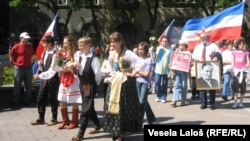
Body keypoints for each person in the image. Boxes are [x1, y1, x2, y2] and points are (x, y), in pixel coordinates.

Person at [102, 31, 143, 141]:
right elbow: (108, 64)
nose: (112, 44)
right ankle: (116, 131)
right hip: (115, 83)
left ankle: (121, 133)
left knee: (122, 108)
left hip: (125, 84)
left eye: (114, 42)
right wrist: (111, 72)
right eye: (111, 42)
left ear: (120, 42)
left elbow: (140, 62)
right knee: (112, 106)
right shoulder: (112, 54)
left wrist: (133, 73)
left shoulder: (128, 53)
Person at [34, 35, 82, 129]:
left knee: (73, 100)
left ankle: (75, 121)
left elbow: (78, 65)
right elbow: (55, 68)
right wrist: (61, 69)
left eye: (66, 43)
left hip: (73, 79)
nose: (64, 44)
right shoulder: (61, 53)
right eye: (63, 43)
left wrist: (70, 68)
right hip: (63, 79)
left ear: (71, 43)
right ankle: (65, 120)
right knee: (61, 99)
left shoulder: (76, 53)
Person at [72, 36, 102, 141]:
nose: (80, 47)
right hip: (82, 84)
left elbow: (98, 74)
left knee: (85, 109)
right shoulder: (79, 56)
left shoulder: (94, 58)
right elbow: (76, 69)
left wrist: (96, 84)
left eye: (82, 45)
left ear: (89, 45)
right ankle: (97, 124)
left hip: (90, 85)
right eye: (79, 45)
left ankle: (80, 132)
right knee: (89, 106)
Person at [31, 35, 60, 126]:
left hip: (53, 79)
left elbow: (53, 70)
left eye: (45, 43)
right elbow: (41, 66)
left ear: (50, 43)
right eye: (43, 43)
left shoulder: (56, 55)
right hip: (44, 79)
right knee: (40, 97)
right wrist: (38, 71)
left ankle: (54, 118)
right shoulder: (44, 53)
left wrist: (40, 75)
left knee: (52, 99)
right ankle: (41, 118)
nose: (43, 45)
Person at [192, 28, 220, 110]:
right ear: (200, 38)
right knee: (202, 86)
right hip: (201, 67)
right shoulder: (197, 47)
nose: (203, 38)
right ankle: (203, 103)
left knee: (212, 86)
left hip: (211, 67)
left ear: (207, 37)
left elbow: (219, 54)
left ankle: (212, 104)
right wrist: (198, 59)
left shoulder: (213, 45)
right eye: (201, 37)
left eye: (204, 37)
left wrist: (216, 57)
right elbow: (193, 57)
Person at [9, 32, 35, 109]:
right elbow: (11, 57)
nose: (27, 40)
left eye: (27, 39)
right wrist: (15, 64)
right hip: (18, 68)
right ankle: (15, 103)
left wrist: (32, 62)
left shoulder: (30, 46)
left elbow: (32, 55)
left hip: (28, 68)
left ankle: (27, 102)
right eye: (25, 38)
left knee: (28, 86)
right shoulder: (16, 47)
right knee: (17, 86)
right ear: (21, 38)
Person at [135, 42, 156, 125]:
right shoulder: (137, 59)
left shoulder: (149, 60)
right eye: (139, 49)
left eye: (141, 49)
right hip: (137, 82)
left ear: (146, 50)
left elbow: (146, 74)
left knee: (141, 102)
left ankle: (139, 122)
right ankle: (151, 118)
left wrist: (137, 72)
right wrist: (138, 72)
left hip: (145, 83)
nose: (139, 51)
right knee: (144, 101)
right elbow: (134, 71)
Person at [170, 40, 191, 107]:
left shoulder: (188, 53)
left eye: (181, 44)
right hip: (177, 71)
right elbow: (173, 60)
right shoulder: (176, 51)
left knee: (184, 85)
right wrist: (171, 65)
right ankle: (174, 100)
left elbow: (189, 62)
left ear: (185, 45)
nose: (180, 46)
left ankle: (183, 100)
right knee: (176, 85)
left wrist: (189, 65)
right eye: (179, 44)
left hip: (184, 71)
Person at [231, 37, 249, 109]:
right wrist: (232, 70)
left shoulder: (246, 52)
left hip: (243, 71)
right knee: (236, 87)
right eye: (240, 44)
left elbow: (248, 61)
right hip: (236, 71)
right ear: (237, 45)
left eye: (243, 44)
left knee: (243, 87)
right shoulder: (234, 52)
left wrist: (247, 65)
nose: (242, 45)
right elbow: (233, 61)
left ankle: (241, 101)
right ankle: (235, 102)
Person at [154, 36, 173, 103]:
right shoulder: (158, 48)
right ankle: (158, 95)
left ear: (168, 42)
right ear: (161, 42)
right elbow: (155, 58)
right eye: (163, 41)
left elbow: (172, 58)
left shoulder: (170, 49)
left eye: (166, 41)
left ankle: (163, 97)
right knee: (157, 82)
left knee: (165, 84)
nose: (164, 42)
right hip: (158, 69)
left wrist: (171, 65)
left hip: (166, 69)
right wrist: (154, 55)